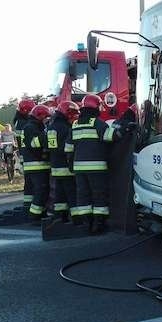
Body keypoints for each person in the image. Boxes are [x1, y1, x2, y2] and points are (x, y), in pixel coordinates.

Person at [68, 94, 126, 234]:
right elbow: (111, 137)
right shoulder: (97, 123)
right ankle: (98, 224)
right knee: (99, 194)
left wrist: (71, 163)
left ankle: (87, 223)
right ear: (95, 107)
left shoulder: (75, 125)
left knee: (83, 195)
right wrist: (124, 130)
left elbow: (68, 148)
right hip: (96, 167)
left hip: (79, 168)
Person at [47, 101, 80, 226]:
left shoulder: (51, 127)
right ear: (68, 113)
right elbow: (68, 147)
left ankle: (60, 216)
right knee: (72, 194)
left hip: (55, 166)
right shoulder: (66, 128)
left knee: (59, 194)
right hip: (66, 166)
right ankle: (77, 219)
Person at [21, 104, 52, 224]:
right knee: (41, 190)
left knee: (42, 190)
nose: (46, 120)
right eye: (45, 118)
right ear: (39, 116)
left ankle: (41, 213)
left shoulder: (34, 126)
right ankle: (34, 217)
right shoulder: (31, 127)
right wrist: (46, 135)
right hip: (36, 165)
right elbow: (34, 144)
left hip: (37, 164)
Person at [14, 99, 37, 207]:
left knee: (28, 182)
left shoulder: (19, 120)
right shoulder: (24, 122)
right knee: (32, 182)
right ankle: (31, 205)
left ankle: (28, 203)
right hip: (29, 155)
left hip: (25, 154)